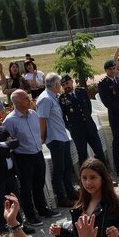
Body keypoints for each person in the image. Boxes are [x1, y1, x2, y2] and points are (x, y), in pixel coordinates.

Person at [3, 90, 59, 226]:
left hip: (37, 153)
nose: (29, 100)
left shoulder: (33, 114)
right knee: (26, 187)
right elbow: (8, 141)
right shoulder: (10, 121)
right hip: (23, 157)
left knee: (39, 183)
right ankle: (30, 215)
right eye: (25, 98)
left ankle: (42, 209)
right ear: (16, 103)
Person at [36, 74, 77, 207]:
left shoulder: (52, 96)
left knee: (67, 166)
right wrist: (42, 137)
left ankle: (71, 192)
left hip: (62, 136)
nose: (61, 85)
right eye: (59, 83)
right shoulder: (46, 99)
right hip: (54, 138)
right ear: (55, 85)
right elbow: (42, 119)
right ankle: (61, 197)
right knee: (59, 169)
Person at [58, 75, 107, 169]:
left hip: (89, 127)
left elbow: (89, 108)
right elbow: (63, 118)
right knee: (82, 155)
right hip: (77, 131)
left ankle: (105, 175)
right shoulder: (62, 99)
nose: (66, 86)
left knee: (99, 151)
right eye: (63, 85)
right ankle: (83, 179)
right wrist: (71, 128)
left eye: (67, 83)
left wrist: (87, 120)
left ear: (72, 82)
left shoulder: (82, 91)